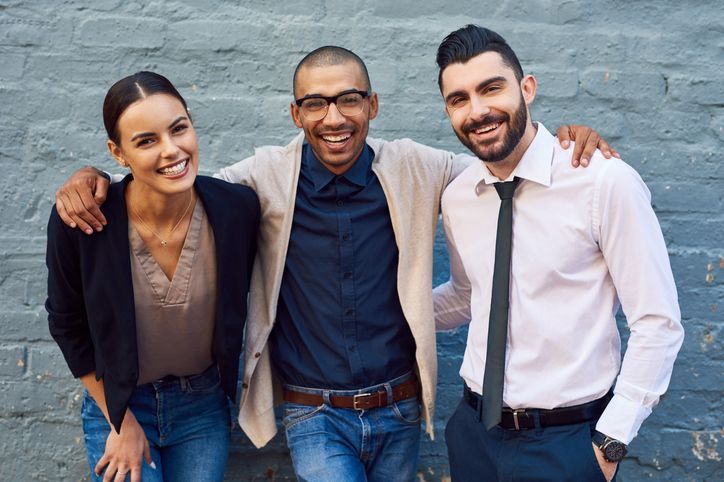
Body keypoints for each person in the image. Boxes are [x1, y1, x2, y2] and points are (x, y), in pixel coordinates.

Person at [52, 47, 615, 482]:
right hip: (312, 412)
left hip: (399, 407)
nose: (334, 117)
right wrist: (91, 180)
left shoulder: (419, 169)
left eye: (349, 99)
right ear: (296, 114)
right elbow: (175, 183)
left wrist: (562, 138)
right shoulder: (261, 180)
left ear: (372, 106)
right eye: (316, 104)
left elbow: (496, 163)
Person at [432, 25, 684, 482]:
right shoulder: (458, 197)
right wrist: (385, 310)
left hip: (568, 444)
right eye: (459, 98)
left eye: (492, 88)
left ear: (527, 87)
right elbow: (470, 296)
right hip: (474, 436)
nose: (478, 110)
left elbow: (658, 323)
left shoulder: (603, 181)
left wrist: (608, 444)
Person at [45, 71, 259, 482]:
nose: (171, 150)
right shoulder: (85, 222)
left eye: (179, 129)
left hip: (203, 405)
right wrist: (120, 422)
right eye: (146, 141)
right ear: (118, 152)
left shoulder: (238, 209)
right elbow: (66, 324)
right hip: (119, 403)